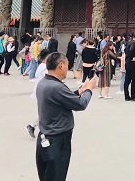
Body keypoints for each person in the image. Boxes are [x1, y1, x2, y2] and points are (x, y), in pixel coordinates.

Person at [35, 52, 97, 181]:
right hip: (57, 139)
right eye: (68, 65)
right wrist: (89, 89)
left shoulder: (44, 82)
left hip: (45, 137)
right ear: (61, 65)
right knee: (56, 176)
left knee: (47, 176)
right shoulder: (57, 87)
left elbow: (63, 99)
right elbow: (80, 104)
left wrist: (79, 91)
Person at [27, 49, 51, 138]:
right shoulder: (44, 67)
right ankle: (35, 127)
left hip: (42, 92)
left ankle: (33, 126)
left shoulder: (42, 66)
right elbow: (50, 78)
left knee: (46, 112)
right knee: (46, 113)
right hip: (43, 93)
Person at [124, 33, 135, 101]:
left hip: (128, 63)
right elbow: (131, 50)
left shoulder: (129, 42)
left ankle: (127, 96)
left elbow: (125, 50)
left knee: (127, 79)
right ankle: (133, 95)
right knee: (134, 80)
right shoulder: (133, 43)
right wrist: (131, 57)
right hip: (132, 63)